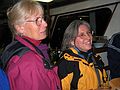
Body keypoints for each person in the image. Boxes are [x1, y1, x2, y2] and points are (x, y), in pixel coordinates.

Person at [1, 0, 61, 90]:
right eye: (38, 20)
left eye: (43, 18)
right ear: (20, 27)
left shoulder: (15, 48)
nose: (45, 24)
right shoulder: (29, 62)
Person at [57, 20, 106, 90]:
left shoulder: (96, 58)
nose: (89, 38)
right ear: (71, 41)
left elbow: (104, 83)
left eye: (89, 33)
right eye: (82, 35)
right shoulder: (66, 64)